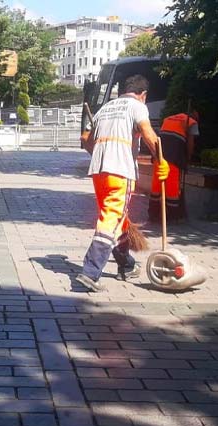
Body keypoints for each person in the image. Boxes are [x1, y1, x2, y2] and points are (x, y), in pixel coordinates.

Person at [78, 74, 169, 291]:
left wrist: (103, 152)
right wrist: (160, 159)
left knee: (117, 217)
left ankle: (126, 265)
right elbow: (148, 134)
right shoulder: (137, 106)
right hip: (120, 170)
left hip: (99, 171)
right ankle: (90, 271)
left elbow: (87, 142)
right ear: (143, 95)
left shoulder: (105, 109)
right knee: (112, 217)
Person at [148, 111, 199, 223]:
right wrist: (188, 158)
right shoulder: (192, 122)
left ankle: (153, 213)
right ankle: (172, 215)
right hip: (174, 155)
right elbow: (190, 142)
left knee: (157, 182)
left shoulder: (169, 118)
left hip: (159, 153)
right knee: (172, 185)